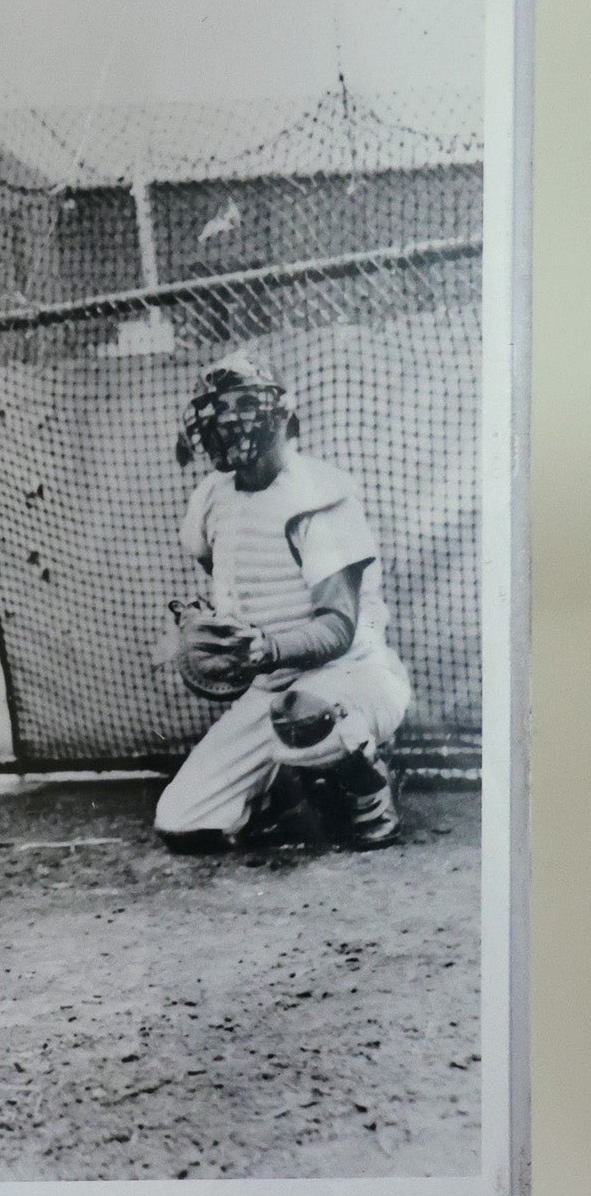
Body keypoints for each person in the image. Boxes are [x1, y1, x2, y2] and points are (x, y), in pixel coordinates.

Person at [154, 355, 409, 852]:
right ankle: (287, 791)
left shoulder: (319, 494)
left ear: (281, 414)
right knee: (183, 821)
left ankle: (369, 789)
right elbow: (234, 580)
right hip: (270, 688)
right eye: (217, 408)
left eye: (246, 403)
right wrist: (206, 628)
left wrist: (267, 648)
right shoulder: (210, 497)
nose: (229, 419)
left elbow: (337, 629)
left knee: (304, 714)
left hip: (355, 675)